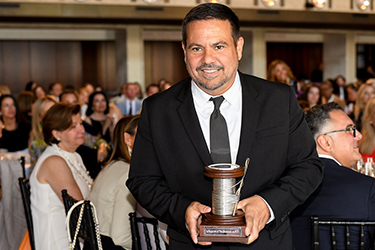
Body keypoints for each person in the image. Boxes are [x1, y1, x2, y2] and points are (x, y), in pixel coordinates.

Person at [126, 3, 324, 250]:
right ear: (184, 51)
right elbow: (142, 181)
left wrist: (267, 204)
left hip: (267, 244)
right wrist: (182, 210)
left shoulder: (278, 100)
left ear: (238, 47)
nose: (208, 59)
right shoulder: (158, 109)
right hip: (191, 244)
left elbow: (308, 168)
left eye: (219, 46)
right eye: (196, 48)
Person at [290, 102, 375, 250]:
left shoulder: (284, 185)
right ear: (325, 142)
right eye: (350, 129)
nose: (359, 135)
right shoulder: (367, 189)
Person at [30, 103, 93, 250]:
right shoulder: (54, 162)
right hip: (60, 243)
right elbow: (80, 210)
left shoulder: (74, 155)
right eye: (73, 127)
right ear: (56, 134)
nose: (82, 130)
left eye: (81, 124)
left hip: (79, 238)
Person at [89, 115, 139, 250]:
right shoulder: (127, 174)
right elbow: (121, 238)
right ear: (127, 139)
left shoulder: (111, 166)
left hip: (95, 242)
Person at [28, 96, 57, 167]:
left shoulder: (67, 130)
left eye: (55, 110)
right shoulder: (35, 138)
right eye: (48, 111)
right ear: (39, 116)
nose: (53, 114)